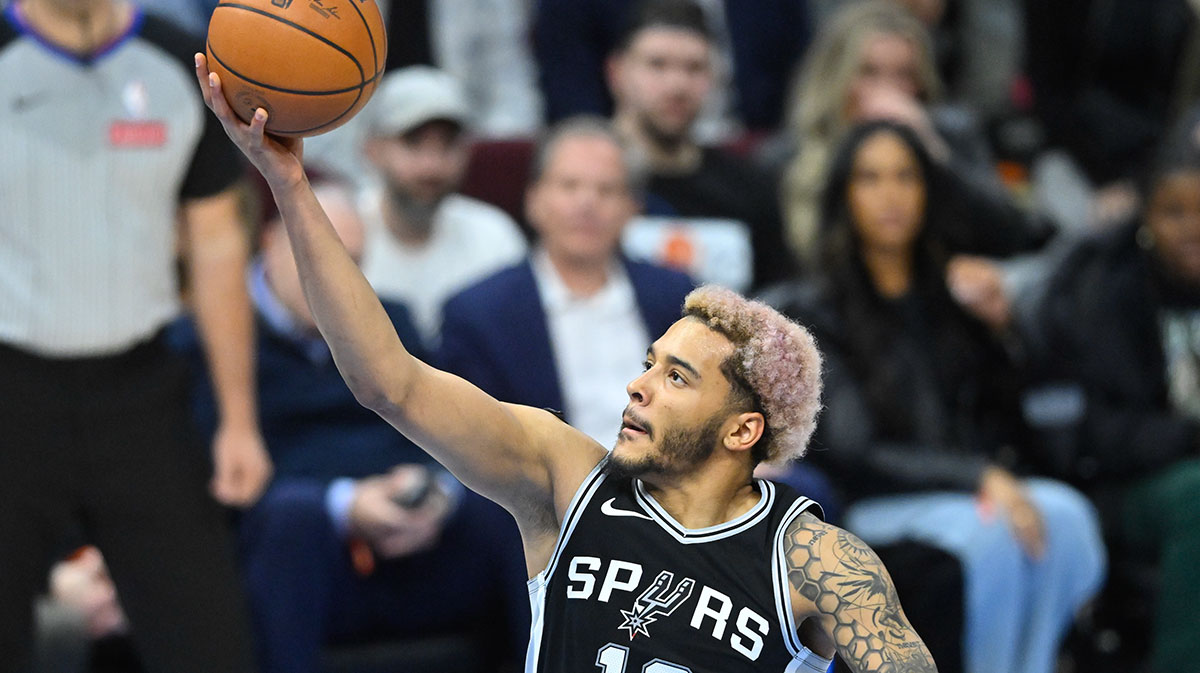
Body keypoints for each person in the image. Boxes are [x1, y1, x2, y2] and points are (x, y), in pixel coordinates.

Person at [195, 54, 940, 672]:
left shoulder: (815, 556)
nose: (637, 385)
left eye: (675, 377)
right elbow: (388, 382)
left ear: (742, 429)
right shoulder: (566, 478)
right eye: (650, 362)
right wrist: (289, 185)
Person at [770, 121, 1105, 673]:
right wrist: (978, 477)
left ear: (929, 191)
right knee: (993, 539)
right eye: (870, 178)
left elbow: (1016, 417)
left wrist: (1003, 332)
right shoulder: (816, 308)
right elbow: (856, 452)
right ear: (844, 195)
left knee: (1068, 516)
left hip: (964, 490)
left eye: (906, 177)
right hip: (879, 502)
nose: (891, 195)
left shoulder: (952, 296)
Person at [0, 2, 269, 671]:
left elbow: (215, 246)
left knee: (212, 644)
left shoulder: (185, 61)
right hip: (10, 392)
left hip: (142, 391)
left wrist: (239, 419)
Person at [170, 176, 530, 673]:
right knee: (292, 519)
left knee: (509, 507)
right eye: (315, 259)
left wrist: (434, 489)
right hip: (294, 547)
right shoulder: (208, 337)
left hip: (407, 534)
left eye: (352, 263)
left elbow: (445, 430)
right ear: (271, 243)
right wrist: (345, 504)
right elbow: (217, 469)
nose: (333, 281)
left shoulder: (391, 322)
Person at [1035, 145, 1200, 673]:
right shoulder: (1104, 291)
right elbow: (1092, 434)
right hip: (1118, 485)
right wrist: (1189, 436)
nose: (1193, 228)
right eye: (1176, 213)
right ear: (1144, 219)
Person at [439, 118, 694, 445]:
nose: (587, 204)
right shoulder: (479, 313)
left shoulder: (676, 296)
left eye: (606, 190)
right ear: (533, 200)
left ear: (633, 207)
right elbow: (471, 445)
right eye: (569, 186)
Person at [777, 0, 1050, 268]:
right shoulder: (789, 157)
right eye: (868, 72)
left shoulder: (950, 134)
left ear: (921, 83)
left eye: (904, 74)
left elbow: (1014, 237)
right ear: (836, 76)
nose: (887, 92)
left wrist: (932, 149)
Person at [607, 0, 796, 290]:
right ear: (617, 73)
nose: (677, 85)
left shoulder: (749, 187)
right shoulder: (585, 182)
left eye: (694, 68)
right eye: (657, 64)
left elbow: (781, 300)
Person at [357, 66, 529, 346]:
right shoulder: (342, 234)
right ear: (371, 149)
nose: (432, 166)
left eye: (448, 145)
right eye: (413, 143)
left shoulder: (495, 235)